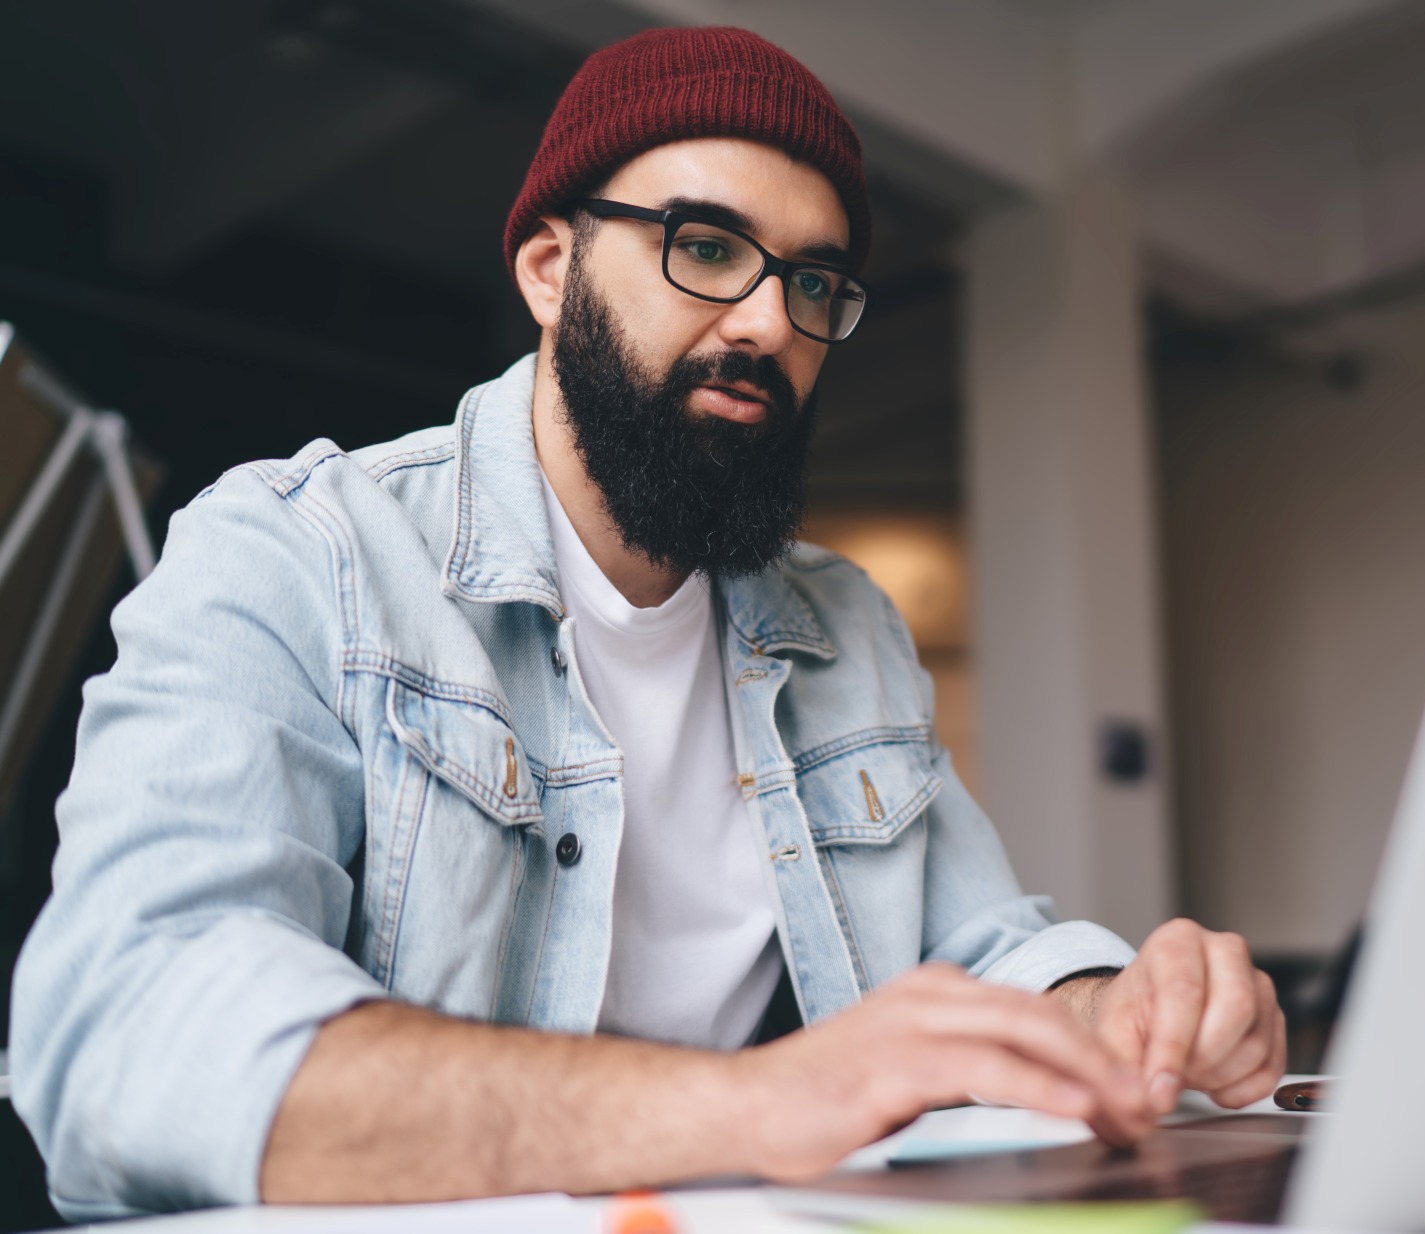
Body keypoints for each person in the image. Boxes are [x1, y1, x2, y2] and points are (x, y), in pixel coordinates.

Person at [8, 27, 1285, 1220]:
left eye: (816, 282)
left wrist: (1110, 1006)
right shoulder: (298, 552)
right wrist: (757, 1102)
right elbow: (125, 1025)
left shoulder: (847, 626)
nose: (768, 322)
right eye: (707, 247)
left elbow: (979, 944)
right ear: (552, 270)